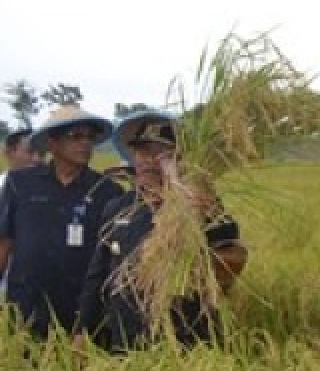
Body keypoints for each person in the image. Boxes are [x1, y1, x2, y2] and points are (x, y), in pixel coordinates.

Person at [76, 110, 248, 353]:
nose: (149, 160)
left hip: (188, 342)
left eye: (162, 153)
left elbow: (231, 262)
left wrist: (202, 211)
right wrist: (82, 330)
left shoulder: (201, 206)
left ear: (179, 160)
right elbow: (97, 275)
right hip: (126, 339)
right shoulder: (118, 208)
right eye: (143, 151)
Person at [0, 106, 124, 338]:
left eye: (90, 138)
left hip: (82, 311)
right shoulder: (20, 184)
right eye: (76, 137)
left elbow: (113, 257)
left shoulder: (107, 190)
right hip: (26, 304)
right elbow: (4, 241)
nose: (85, 144)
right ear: (52, 143)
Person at [1, 129, 38, 297]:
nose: (36, 159)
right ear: (9, 152)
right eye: (30, 152)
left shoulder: (49, 192)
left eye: (41, 153)